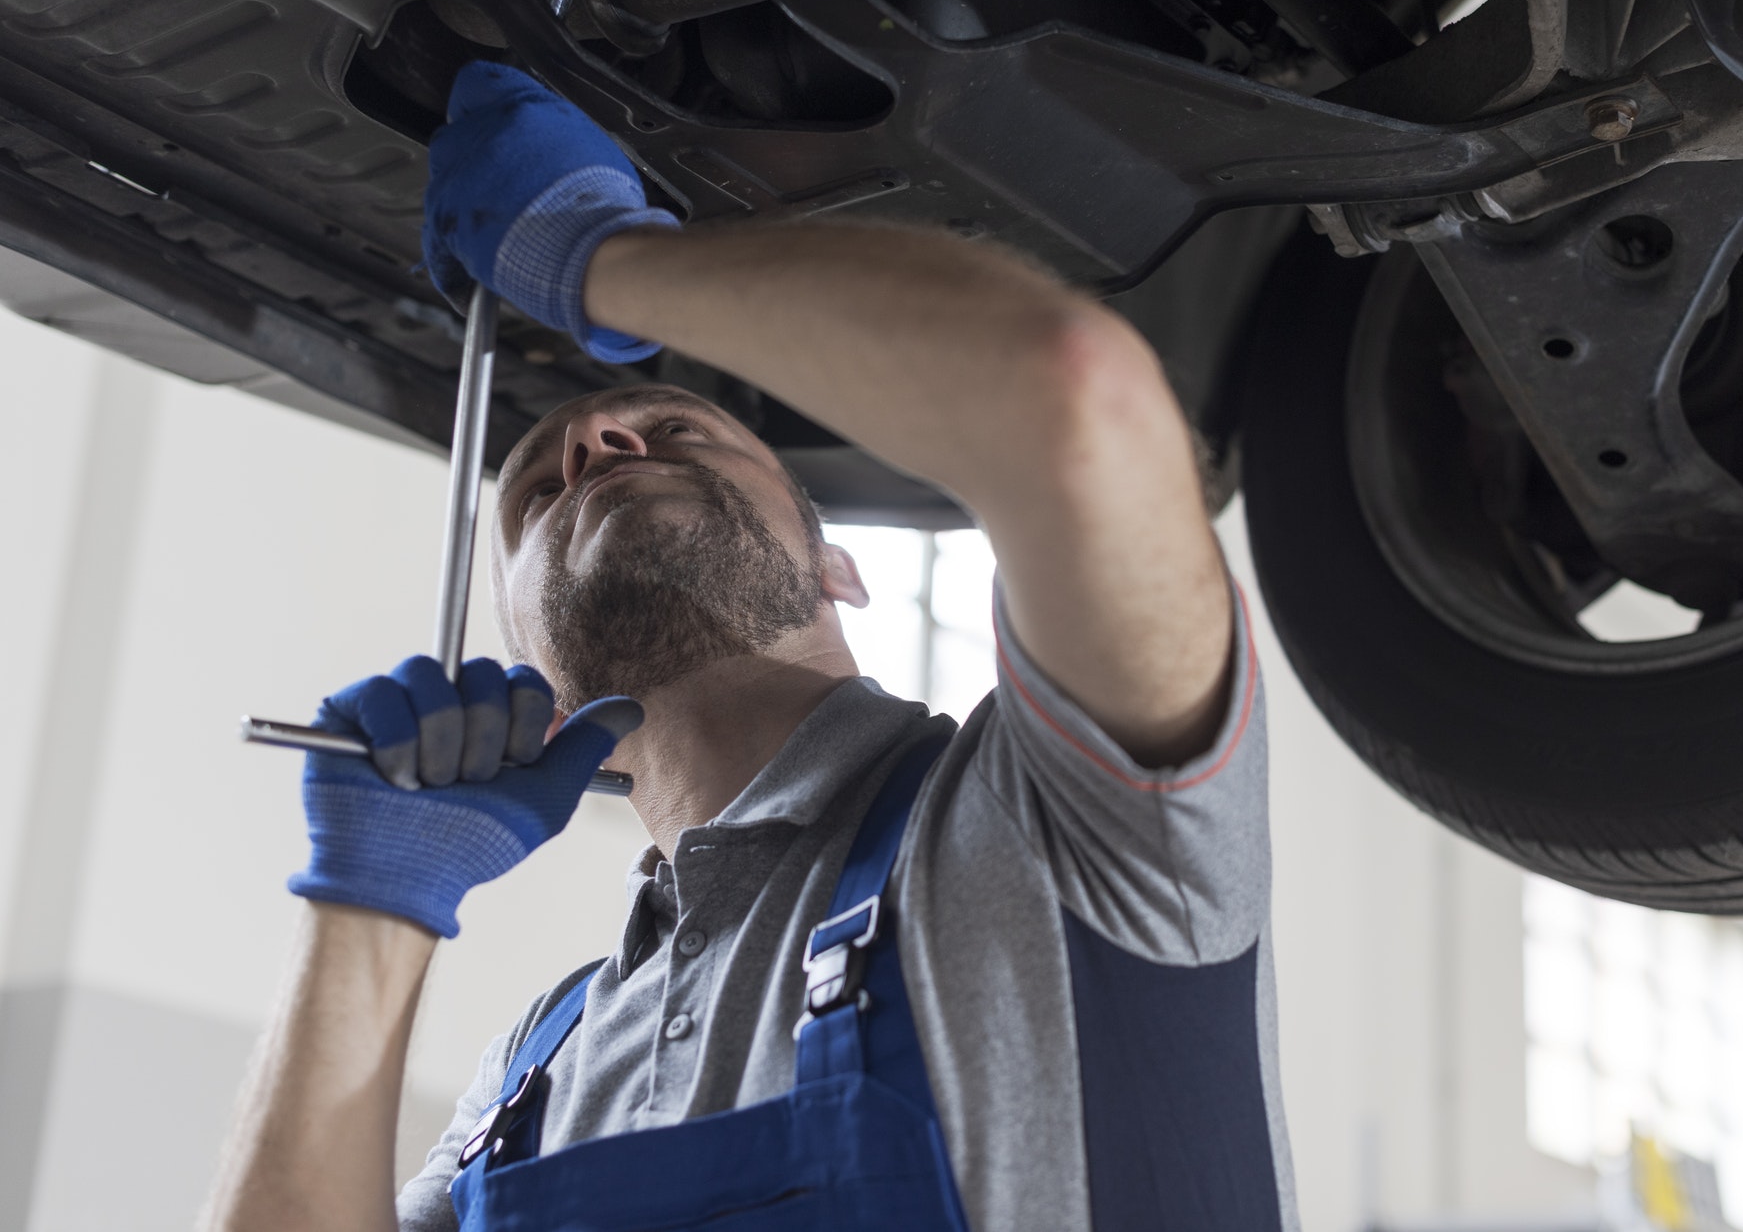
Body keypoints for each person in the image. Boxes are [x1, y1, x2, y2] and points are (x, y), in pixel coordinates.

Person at [203, 62, 1289, 1232]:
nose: (602, 434)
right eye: (536, 493)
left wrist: (596, 260)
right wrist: (371, 901)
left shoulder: (1054, 813)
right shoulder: (532, 1076)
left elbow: (1074, 396)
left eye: (674, 432)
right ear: (527, 662)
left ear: (840, 568)